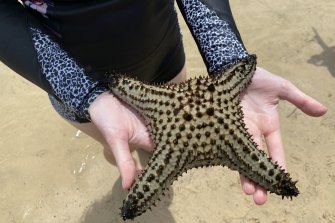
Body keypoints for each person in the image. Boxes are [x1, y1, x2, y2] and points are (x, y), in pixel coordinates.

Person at [0, 0, 327, 206]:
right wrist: (86, 93)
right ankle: (139, 168)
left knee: (160, 142)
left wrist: (226, 55)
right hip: (77, 85)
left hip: (164, 56)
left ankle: (154, 163)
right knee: (120, 147)